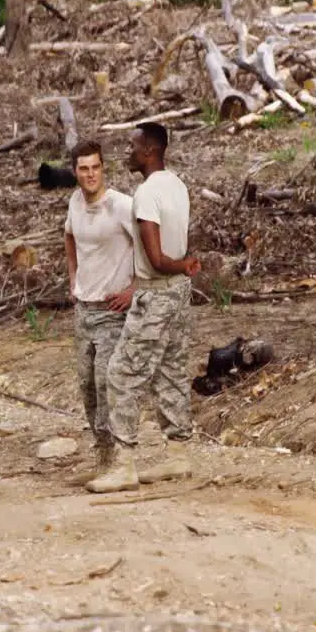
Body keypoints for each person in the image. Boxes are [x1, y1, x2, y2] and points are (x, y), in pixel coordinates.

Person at [88, 122, 201, 494]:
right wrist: (184, 267)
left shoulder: (147, 193)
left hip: (156, 293)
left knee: (121, 373)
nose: (128, 151)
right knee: (170, 369)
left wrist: (179, 264)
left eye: (133, 146)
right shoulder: (178, 184)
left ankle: (124, 463)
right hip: (179, 293)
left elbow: (154, 258)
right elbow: (178, 242)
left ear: (150, 150)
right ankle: (178, 453)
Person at [64, 140, 136, 479]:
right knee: (87, 386)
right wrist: (73, 278)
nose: (90, 174)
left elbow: (151, 243)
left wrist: (134, 289)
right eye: (83, 168)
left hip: (112, 310)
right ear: (75, 172)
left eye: (95, 167)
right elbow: (69, 237)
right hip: (84, 310)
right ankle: (103, 458)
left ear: (103, 167)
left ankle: (121, 460)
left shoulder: (121, 205)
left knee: (108, 382)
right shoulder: (75, 203)